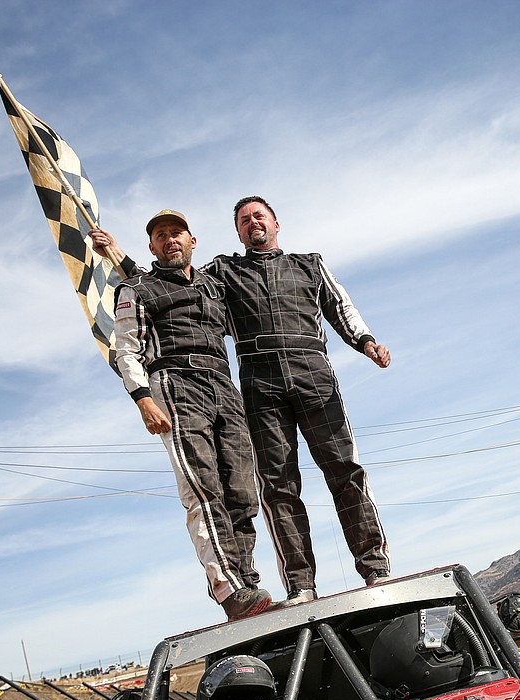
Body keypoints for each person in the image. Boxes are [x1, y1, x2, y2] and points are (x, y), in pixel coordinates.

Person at [205, 196, 392, 605]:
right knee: (278, 486)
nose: (252, 222)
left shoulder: (309, 263)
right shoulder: (223, 272)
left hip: (314, 373)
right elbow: (182, 285)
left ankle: (375, 568)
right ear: (238, 232)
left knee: (345, 468)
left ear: (276, 223)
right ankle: (301, 585)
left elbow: (341, 306)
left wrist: (366, 342)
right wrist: (119, 258)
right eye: (243, 220)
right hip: (259, 382)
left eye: (259, 215)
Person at [93, 213, 270, 621]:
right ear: (151, 247)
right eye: (160, 236)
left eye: (176, 233)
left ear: (193, 240)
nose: (169, 240)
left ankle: (248, 583)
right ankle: (228, 589)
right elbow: (126, 348)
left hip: (224, 384)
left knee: (242, 490)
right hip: (174, 381)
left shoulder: (212, 285)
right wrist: (142, 398)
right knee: (202, 486)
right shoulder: (136, 288)